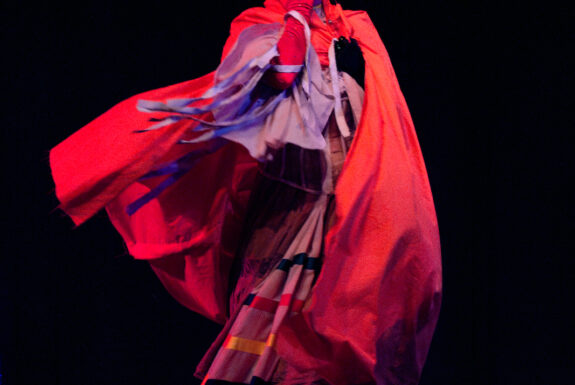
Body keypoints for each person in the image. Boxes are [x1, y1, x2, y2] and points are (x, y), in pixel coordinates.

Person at [50, 0, 442, 384]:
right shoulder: (260, 22)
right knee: (284, 313)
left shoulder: (355, 24)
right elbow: (283, 73)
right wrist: (296, 16)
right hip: (293, 198)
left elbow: (387, 114)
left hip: (356, 186)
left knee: (354, 297)